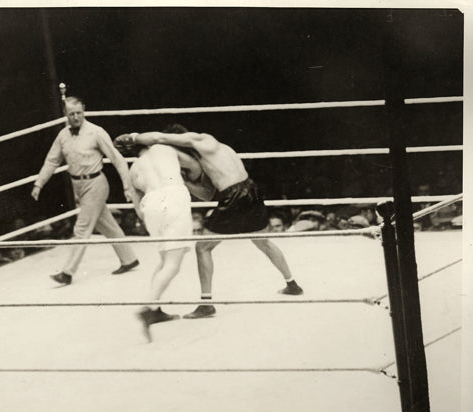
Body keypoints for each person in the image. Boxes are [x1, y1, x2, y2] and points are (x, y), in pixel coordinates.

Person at [116, 126, 302, 319]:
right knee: (263, 242)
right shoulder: (214, 153)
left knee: (202, 248)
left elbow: (159, 137)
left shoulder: (202, 140)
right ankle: (292, 284)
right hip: (250, 189)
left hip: (235, 195)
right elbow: (208, 194)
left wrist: (133, 137)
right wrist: (182, 180)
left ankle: (206, 304)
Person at [31, 96, 139, 285]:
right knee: (106, 224)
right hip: (78, 186)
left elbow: (117, 159)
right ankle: (129, 259)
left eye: (79, 113)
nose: (75, 117)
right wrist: (39, 183)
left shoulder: (96, 132)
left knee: (81, 228)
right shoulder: (63, 135)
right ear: (65, 114)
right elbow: (52, 160)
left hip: (96, 183)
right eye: (71, 114)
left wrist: (127, 186)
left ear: (84, 111)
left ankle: (67, 272)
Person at [114, 134, 194, 341]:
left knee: (163, 260)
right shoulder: (164, 149)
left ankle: (155, 309)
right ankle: (148, 307)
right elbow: (194, 167)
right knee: (173, 264)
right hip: (174, 197)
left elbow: (137, 207)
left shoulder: (133, 169)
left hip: (150, 204)